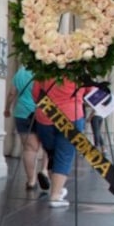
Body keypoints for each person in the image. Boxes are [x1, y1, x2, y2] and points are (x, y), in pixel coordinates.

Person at [32, 78, 90, 207]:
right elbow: (92, 93)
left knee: (52, 153)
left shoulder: (44, 70)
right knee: (64, 155)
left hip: (46, 115)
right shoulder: (79, 73)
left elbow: (36, 94)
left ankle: (56, 188)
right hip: (71, 115)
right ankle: (55, 196)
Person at [4, 66, 50, 191]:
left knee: (30, 148)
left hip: (23, 112)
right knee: (48, 145)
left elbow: (12, 93)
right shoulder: (48, 71)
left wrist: (7, 108)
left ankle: (31, 181)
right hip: (45, 111)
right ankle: (44, 170)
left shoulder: (21, 72)